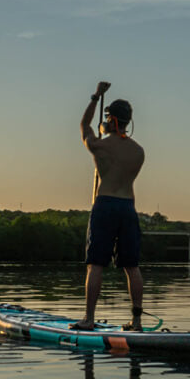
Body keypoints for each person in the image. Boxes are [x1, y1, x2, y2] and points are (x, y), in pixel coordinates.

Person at [74, 81, 146, 331]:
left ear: (112, 120)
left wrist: (96, 96)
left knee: (96, 265)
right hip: (128, 207)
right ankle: (136, 321)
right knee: (131, 266)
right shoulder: (139, 152)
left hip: (105, 205)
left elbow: (84, 126)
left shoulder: (100, 145)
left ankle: (89, 319)